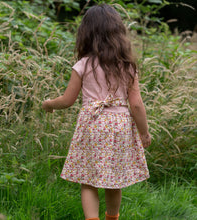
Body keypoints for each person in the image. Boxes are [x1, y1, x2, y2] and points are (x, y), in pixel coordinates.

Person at [42, 4, 151, 220]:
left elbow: (67, 100)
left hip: (92, 125)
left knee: (88, 180)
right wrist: (144, 132)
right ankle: (112, 217)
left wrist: (49, 104)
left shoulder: (83, 64)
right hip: (119, 126)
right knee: (115, 180)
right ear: (118, 31)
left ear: (87, 33)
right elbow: (137, 104)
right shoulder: (127, 65)